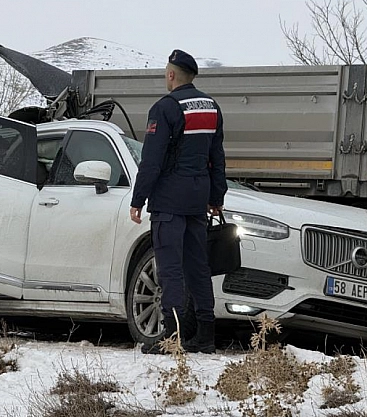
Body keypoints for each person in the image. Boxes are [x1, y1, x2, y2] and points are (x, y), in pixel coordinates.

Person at [130, 49, 227, 354]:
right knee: (198, 267)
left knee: (170, 268)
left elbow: (152, 160)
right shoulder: (211, 107)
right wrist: (216, 196)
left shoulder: (165, 108)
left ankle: (172, 337)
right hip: (198, 201)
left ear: (171, 74)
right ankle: (205, 335)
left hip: (169, 201)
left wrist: (138, 198)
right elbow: (217, 157)